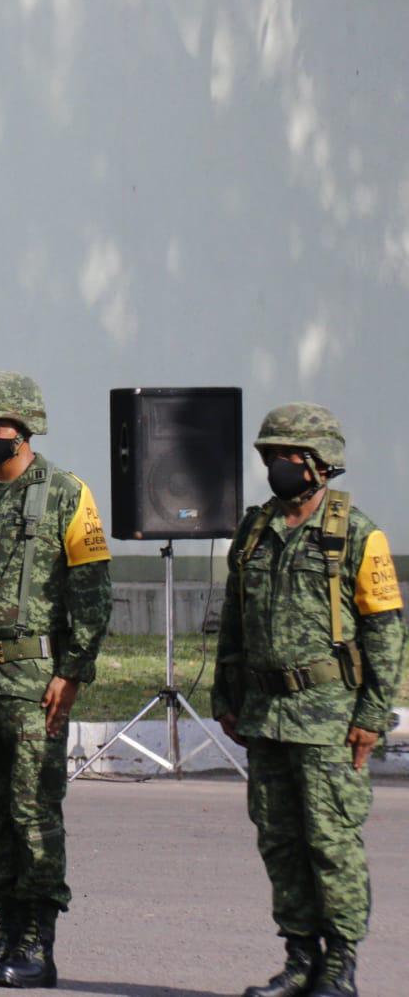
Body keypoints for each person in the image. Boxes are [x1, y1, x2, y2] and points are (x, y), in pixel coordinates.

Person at [213, 403, 405, 997]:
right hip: (266, 715)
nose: (276, 466)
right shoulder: (254, 530)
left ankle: (340, 964)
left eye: (287, 457)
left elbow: (385, 630)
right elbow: (235, 623)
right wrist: (227, 692)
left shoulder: (358, 534)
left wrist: (373, 714)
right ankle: (299, 959)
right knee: (279, 840)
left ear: (321, 465)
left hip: (329, 718)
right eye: (270, 456)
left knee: (331, 841)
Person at [0, 371, 112, 989]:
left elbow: (92, 593)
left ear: (25, 427)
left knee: (32, 811)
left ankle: (37, 942)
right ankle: (7, 929)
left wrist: (73, 672)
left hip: (33, 680)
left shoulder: (66, 493)